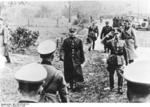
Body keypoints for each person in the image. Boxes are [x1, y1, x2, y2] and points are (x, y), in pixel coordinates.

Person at [106, 30, 128, 94]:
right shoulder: (110, 41)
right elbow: (102, 42)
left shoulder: (123, 42)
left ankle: (120, 88)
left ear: (120, 34)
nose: (116, 35)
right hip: (112, 60)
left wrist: (126, 61)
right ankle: (111, 87)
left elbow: (125, 52)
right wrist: (107, 36)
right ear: (113, 35)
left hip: (119, 60)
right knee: (111, 74)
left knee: (120, 74)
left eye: (117, 33)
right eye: (115, 34)